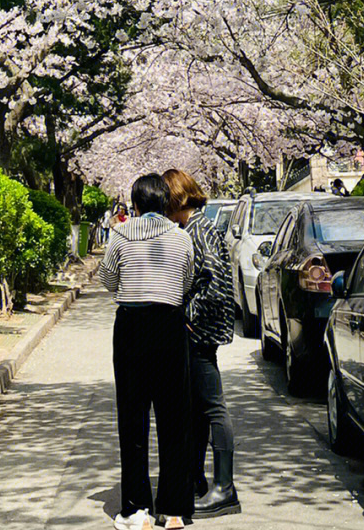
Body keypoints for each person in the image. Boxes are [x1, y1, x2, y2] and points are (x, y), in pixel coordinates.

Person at [99, 173, 196, 530]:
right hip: (170, 326)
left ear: (136, 205)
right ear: (165, 202)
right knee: (174, 419)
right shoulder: (180, 238)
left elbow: (108, 280)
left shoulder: (120, 235)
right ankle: (173, 511)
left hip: (131, 328)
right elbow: (185, 281)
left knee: (133, 418)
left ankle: (137, 509)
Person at [163, 168, 241, 519]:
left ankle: (225, 488)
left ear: (176, 197)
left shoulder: (199, 230)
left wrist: (187, 317)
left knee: (212, 406)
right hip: (201, 329)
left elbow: (210, 281)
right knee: (197, 407)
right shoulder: (196, 227)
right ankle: (196, 479)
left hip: (200, 331)